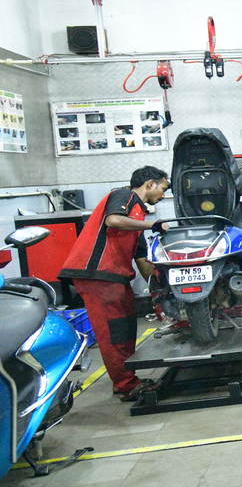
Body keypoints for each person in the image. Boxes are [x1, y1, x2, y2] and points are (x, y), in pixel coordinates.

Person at [58, 166, 170, 401]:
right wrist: (153, 225)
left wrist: (160, 288)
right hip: (98, 275)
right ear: (150, 184)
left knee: (127, 328)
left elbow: (141, 258)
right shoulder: (124, 195)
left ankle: (127, 380)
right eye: (163, 188)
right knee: (114, 332)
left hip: (115, 278)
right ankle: (126, 385)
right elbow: (113, 220)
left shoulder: (138, 216)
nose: (163, 194)